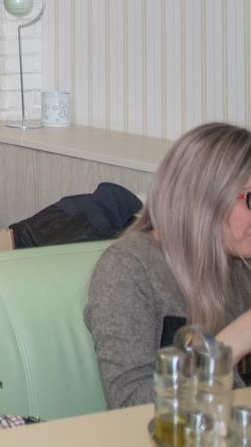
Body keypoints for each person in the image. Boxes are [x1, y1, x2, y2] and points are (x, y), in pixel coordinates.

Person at [84, 122, 251, 408]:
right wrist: (231, 343)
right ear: (206, 197)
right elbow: (130, 405)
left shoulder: (240, 260)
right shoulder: (128, 267)